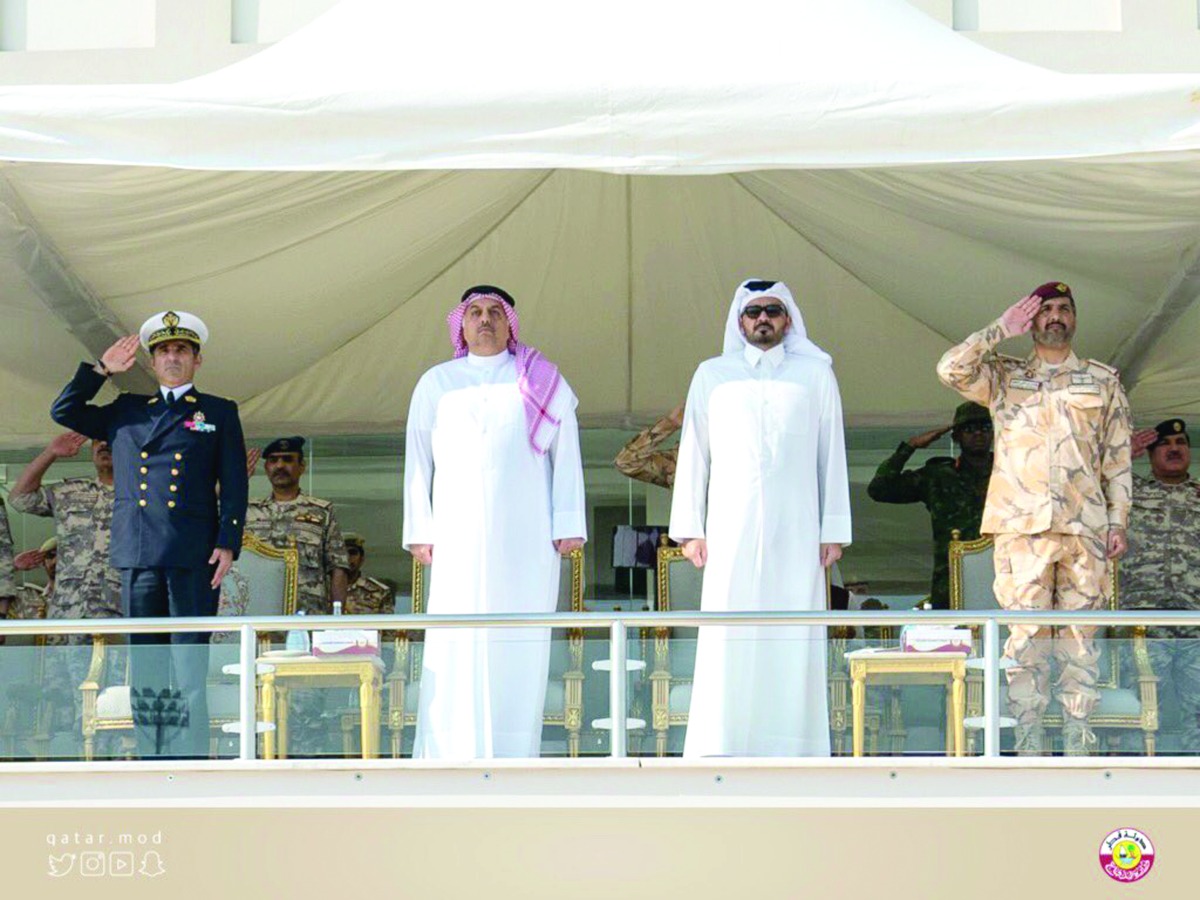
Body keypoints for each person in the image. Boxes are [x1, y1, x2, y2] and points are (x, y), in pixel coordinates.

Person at [937, 282, 1131, 756]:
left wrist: (1118, 520)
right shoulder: (1004, 376)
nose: (1055, 318)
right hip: (1021, 527)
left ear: (1075, 319)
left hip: (1084, 526)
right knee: (1025, 637)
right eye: (1045, 311)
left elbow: (1118, 458)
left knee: (1080, 637)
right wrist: (999, 330)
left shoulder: (1102, 381)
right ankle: (1028, 737)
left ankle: (1076, 735)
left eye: (1064, 309)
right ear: (1032, 321)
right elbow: (950, 369)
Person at [50, 311, 248, 759]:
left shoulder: (217, 411)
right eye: (163, 351)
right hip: (138, 552)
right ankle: (154, 758)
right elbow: (64, 411)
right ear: (152, 362)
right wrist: (102, 371)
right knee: (148, 666)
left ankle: (193, 761)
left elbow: (234, 481)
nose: (172, 357)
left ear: (197, 360)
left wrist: (228, 540)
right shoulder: (128, 410)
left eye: (181, 350)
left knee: (189, 664)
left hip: (193, 554)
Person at [669, 278, 852, 757]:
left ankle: (796, 747)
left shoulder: (816, 375)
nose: (763, 319)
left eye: (772, 310)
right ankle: (722, 745)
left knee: (793, 633)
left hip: (799, 528)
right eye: (754, 312)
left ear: (787, 319)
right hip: (730, 527)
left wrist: (833, 530)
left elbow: (831, 452)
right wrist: (689, 529)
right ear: (739, 321)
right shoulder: (712, 374)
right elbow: (694, 452)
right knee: (729, 633)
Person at [403, 284, 586, 759]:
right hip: (456, 536)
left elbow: (566, 457)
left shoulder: (540, 379)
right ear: (460, 325)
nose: (485, 320)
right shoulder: (436, 383)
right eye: (475, 313)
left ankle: (513, 753)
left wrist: (567, 521)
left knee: (518, 641)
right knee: (456, 640)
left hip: (525, 537)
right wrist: (420, 529)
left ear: (510, 325)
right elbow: (418, 460)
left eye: (494, 313)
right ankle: (447, 754)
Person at [9, 433, 121, 737]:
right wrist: (50, 453)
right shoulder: (72, 490)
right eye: (98, 440)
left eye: (111, 439)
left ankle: (110, 765)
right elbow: (19, 497)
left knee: (112, 700)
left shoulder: (144, 493)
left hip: (118, 613)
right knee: (63, 699)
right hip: (68, 612)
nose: (103, 445)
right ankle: (71, 759)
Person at [1121, 418, 1200, 752]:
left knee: (1197, 707)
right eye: (1165, 444)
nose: (1174, 449)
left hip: (1195, 620)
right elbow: (1082, 486)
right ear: (1149, 454)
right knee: (1139, 705)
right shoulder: (1128, 493)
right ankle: (1134, 773)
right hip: (1143, 620)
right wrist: (1122, 456)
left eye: (1180, 443)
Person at [867, 401, 993, 608]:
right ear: (956, 436)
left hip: (1003, 573)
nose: (978, 434)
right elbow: (879, 489)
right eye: (969, 429)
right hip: (951, 581)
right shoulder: (938, 476)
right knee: (953, 638)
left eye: (985, 428)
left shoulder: (1009, 474)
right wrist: (911, 446)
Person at [246, 437, 348, 615]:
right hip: (259, 614)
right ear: (266, 468)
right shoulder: (247, 511)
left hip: (308, 615)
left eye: (287, 459)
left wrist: (336, 620)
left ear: (302, 466)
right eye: (273, 460)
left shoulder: (321, 512)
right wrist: (235, 480)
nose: (279, 466)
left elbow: (338, 566)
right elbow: (201, 507)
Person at [614, 403, 684, 489]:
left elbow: (625, 463)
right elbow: (626, 462)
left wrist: (670, 423)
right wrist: (670, 424)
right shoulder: (682, 465)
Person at [343, 533, 393, 616]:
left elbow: (386, 626)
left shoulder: (379, 591)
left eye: (352, 553)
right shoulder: (321, 588)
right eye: (342, 553)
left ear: (362, 559)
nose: (347, 557)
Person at [12, 537, 57, 622]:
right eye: (50, 556)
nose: (55, 561)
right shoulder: (29, 599)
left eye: (63, 556)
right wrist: (13, 566)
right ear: (43, 561)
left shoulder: (86, 597)